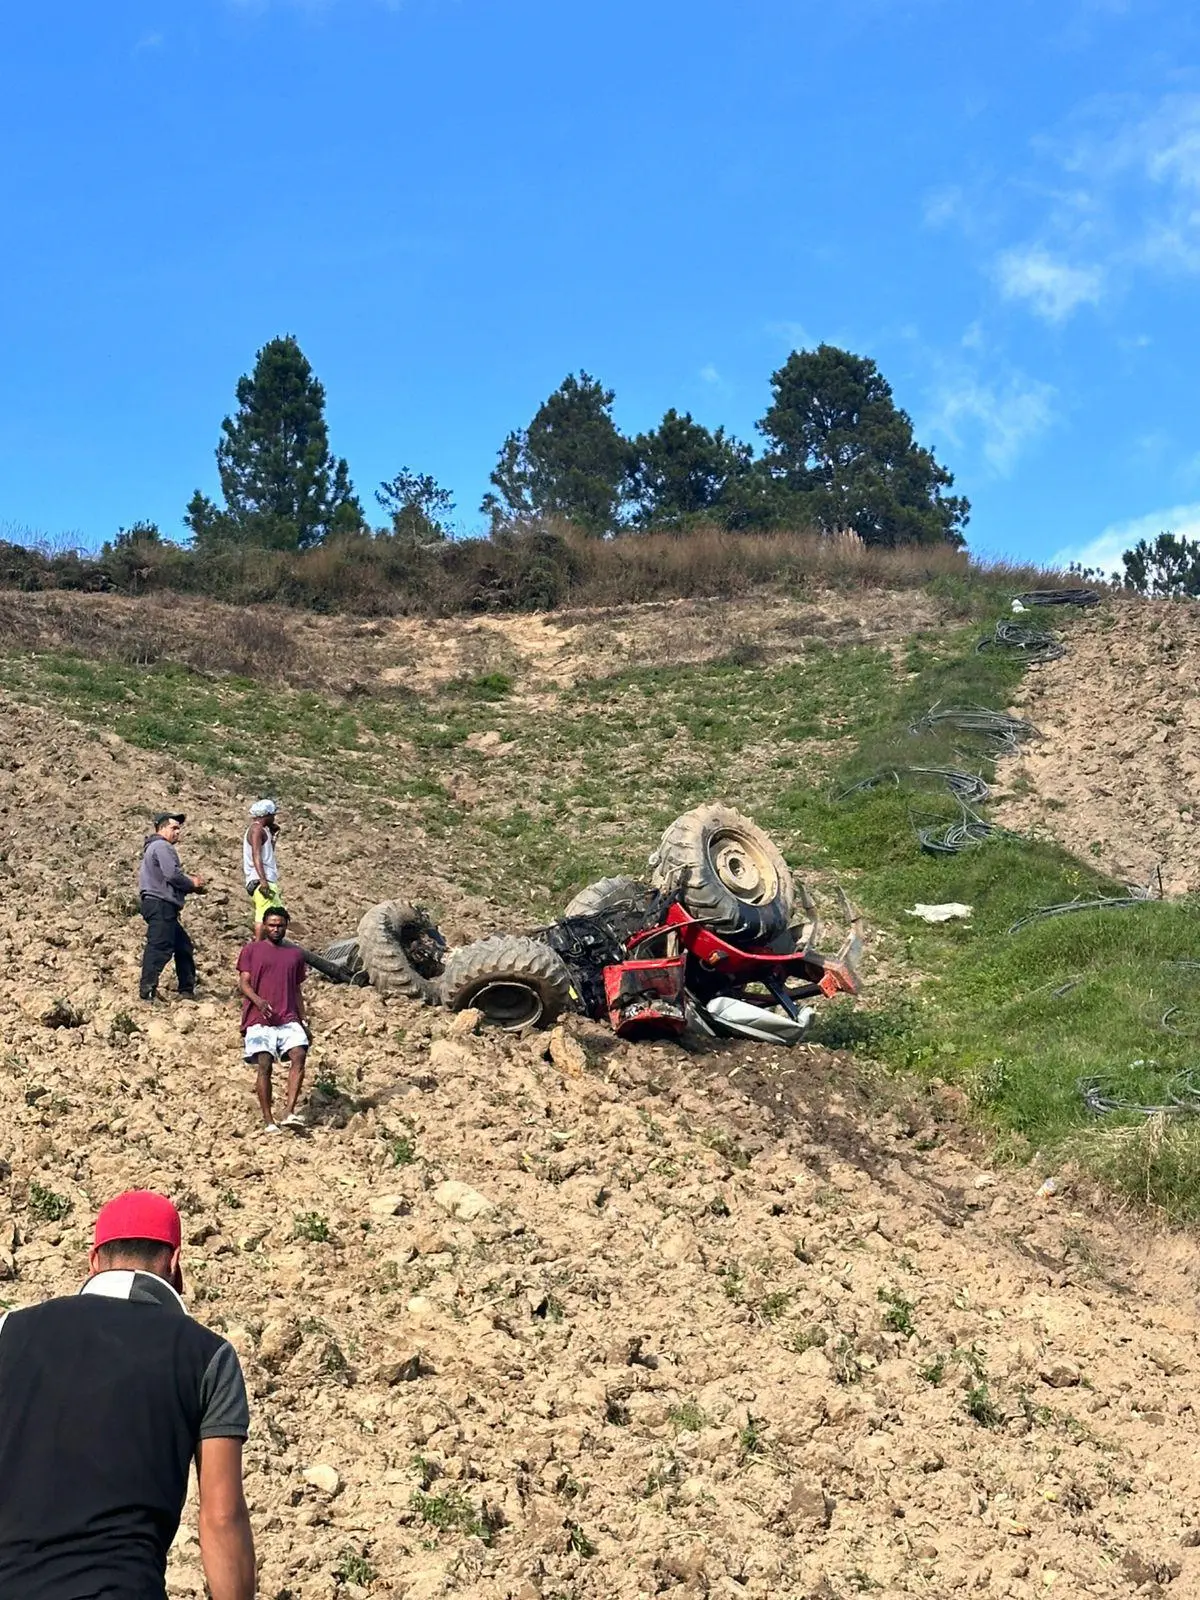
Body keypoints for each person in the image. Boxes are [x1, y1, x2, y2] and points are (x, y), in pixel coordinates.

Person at [0, 1189, 255, 1600]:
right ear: (174, 1263)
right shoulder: (208, 1355)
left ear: (93, 1261)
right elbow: (222, 1518)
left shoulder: (9, 1331)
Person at [237, 905, 310, 1133]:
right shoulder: (252, 950)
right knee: (265, 1063)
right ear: (265, 926)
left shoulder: (295, 955)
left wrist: (303, 1020)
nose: (276, 929)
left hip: (288, 1016)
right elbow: (244, 983)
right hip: (259, 1019)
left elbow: (296, 989)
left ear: (286, 927)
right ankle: (268, 1119)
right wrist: (258, 1001)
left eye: (280, 925)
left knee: (299, 1054)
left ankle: (289, 1111)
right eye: (272, 925)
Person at [138, 811, 206, 1002]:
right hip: (161, 904)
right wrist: (192, 883)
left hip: (159, 904)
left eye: (179, 828)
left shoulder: (153, 848)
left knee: (183, 946)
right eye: (174, 828)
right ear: (161, 829)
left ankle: (186, 990)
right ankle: (147, 992)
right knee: (159, 947)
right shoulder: (162, 846)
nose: (178, 832)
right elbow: (172, 875)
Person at [243, 798, 285, 938]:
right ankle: (259, 946)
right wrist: (263, 880)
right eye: (272, 815)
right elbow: (256, 854)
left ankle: (264, 944)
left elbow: (267, 855)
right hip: (261, 879)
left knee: (273, 913)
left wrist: (273, 837)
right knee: (266, 914)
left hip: (264, 878)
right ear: (266, 815)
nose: (274, 818)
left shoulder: (262, 830)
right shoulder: (256, 829)